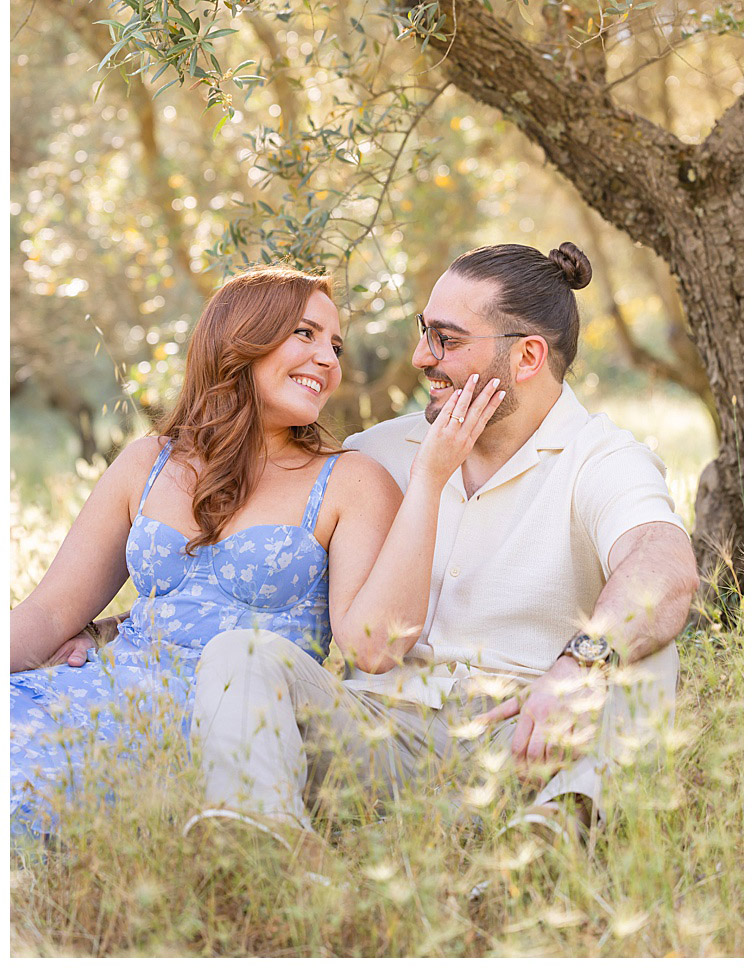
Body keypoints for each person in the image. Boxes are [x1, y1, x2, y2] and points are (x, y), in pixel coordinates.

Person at [184, 242, 699, 851]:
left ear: (527, 355)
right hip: (375, 737)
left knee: (642, 643)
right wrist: (115, 628)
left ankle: (553, 840)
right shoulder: (380, 451)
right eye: (424, 332)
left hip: (525, 745)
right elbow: (252, 561)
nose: (420, 357)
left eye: (446, 341)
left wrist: (580, 664)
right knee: (242, 653)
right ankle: (265, 850)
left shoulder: (603, 458)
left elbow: (664, 565)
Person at [10, 264, 503, 838]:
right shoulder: (149, 462)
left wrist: (429, 480)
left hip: (229, 727)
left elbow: (375, 648)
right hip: (97, 695)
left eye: (336, 345)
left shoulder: (349, 480)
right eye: (306, 334)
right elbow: (48, 612)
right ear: (240, 339)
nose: (329, 359)